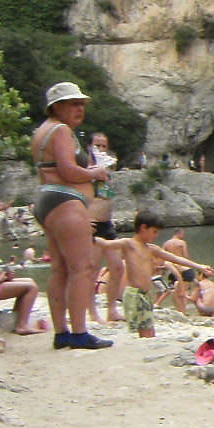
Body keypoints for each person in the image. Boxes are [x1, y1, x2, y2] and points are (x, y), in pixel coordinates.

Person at [30, 82, 113, 349]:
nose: (80, 109)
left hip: (48, 200)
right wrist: (94, 173)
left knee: (60, 269)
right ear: (57, 107)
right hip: (65, 202)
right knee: (82, 268)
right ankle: (79, 333)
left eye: (82, 104)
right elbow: (67, 170)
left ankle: (61, 333)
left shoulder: (42, 131)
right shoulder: (61, 130)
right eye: (74, 104)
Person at [93, 212, 214, 338]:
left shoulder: (151, 249)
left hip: (146, 295)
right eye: (154, 231)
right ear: (143, 227)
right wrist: (89, 233)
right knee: (143, 331)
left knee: (148, 330)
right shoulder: (128, 244)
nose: (156, 235)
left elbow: (176, 258)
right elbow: (105, 244)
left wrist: (199, 266)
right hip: (134, 294)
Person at [85, 131, 126, 323]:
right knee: (92, 269)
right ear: (89, 147)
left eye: (104, 145)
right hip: (92, 224)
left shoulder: (107, 168)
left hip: (107, 223)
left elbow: (105, 197)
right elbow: (77, 195)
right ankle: (92, 312)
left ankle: (112, 309)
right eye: (97, 145)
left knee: (117, 267)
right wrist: (83, 219)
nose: (101, 149)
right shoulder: (85, 169)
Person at [163, 229, 195, 313]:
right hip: (182, 267)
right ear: (179, 233)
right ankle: (183, 311)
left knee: (176, 292)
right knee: (184, 291)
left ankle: (180, 310)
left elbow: (163, 256)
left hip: (172, 268)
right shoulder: (182, 243)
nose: (183, 236)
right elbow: (185, 256)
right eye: (183, 234)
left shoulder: (166, 243)